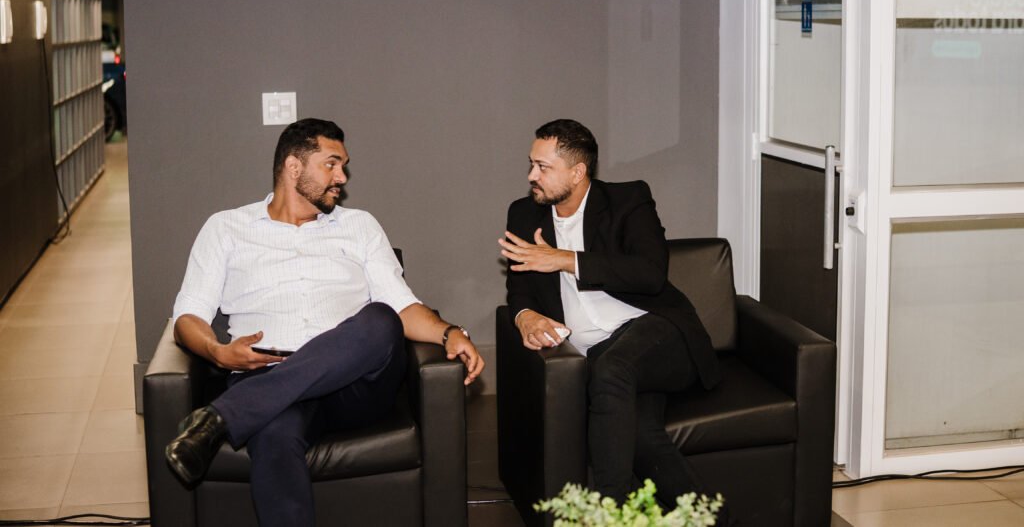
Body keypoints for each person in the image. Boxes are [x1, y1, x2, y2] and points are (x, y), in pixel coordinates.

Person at [165, 117, 484, 526]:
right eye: (331, 165)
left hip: (353, 388)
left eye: (343, 166)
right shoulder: (226, 229)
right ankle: (246, 410)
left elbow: (402, 307)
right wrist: (217, 352)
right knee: (273, 434)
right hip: (266, 373)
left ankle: (221, 417)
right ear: (293, 167)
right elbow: (188, 315)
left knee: (381, 318)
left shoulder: (359, 226)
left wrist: (449, 332)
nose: (342, 177)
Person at [499, 118, 722, 508]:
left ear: (577, 172)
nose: (532, 175)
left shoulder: (628, 200)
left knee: (610, 369)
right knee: (638, 435)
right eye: (531, 164)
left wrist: (565, 259)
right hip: (601, 353)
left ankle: (607, 512)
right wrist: (524, 316)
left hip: (656, 332)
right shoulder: (523, 214)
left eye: (543, 167)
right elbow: (519, 290)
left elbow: (650, 274)